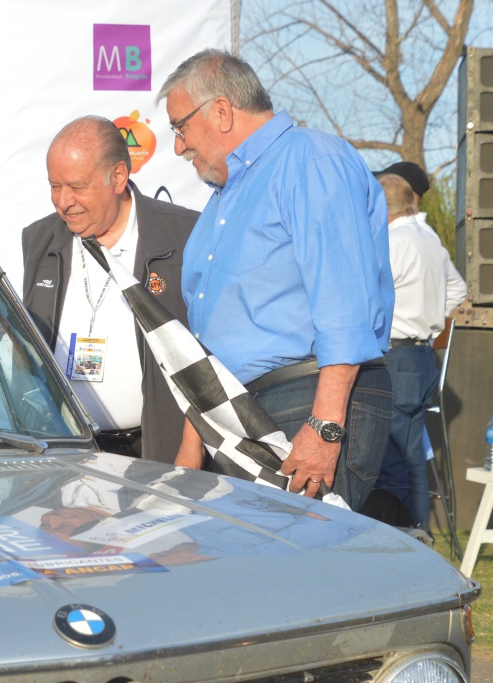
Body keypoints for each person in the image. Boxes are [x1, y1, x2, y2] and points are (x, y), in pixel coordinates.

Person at [157, 50, 394, 511]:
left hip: (306, 399)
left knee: (304, 572)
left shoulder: (309, 160)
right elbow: (211, 336)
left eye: (180, 128)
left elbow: (344, 303)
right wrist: (195, 443)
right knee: (251, 575)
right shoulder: (225, 198)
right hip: (237, 413)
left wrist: (325, 427)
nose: (178, 147)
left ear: (222, 111)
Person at [20, 115, 199, 462]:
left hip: (158, 456)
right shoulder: (39, 240)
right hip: (66, 456)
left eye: (76, 186)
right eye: (54, 186)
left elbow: (212, 356)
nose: (62, 202)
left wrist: (191, 448)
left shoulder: (185, 236)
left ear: (118, 177)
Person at [372, 172, 466, 530]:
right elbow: (458, 291)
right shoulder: (430, 242)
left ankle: (400, 541)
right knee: (410, 457)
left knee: (391, 457)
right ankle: (419, 535)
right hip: (422, 357)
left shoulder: (394, 244)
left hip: (396, 357)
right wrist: (427, 317)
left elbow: (369, 298)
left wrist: (402, 316)